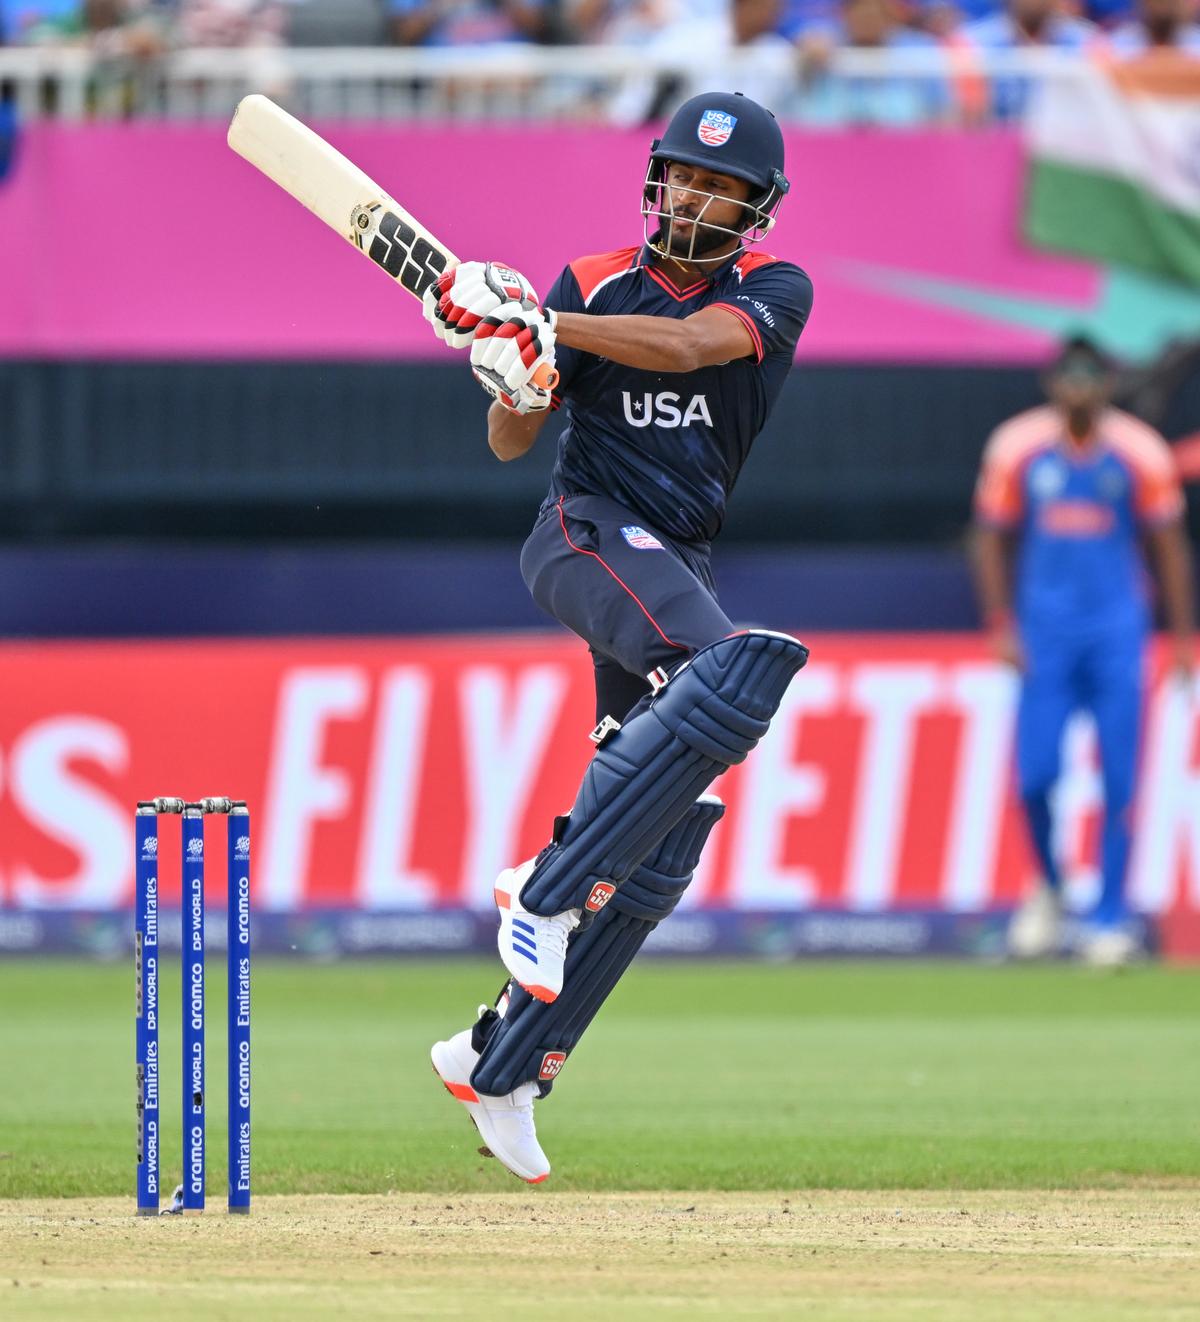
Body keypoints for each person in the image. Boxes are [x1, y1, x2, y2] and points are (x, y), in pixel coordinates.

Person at [422, 91, 812, 1183]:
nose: (694, 195)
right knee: (723, 672)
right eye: (684, 173)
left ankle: (498, 1060)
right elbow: (512, 440)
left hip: (669, 559)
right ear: (658, 177)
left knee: (662, 824)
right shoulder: (589, 278)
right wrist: (513, 367)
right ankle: (540, 888)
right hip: (583, 533)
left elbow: (689, 349)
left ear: (756, 207)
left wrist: (547, 327)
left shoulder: (774, 290)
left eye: (720, 185)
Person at [972, 335, 1195, 967]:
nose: (1079, 384)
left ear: (1105, 382)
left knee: (1121, 779)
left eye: (1091, 373)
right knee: (1036, 776)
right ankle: (1049, 885)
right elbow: (990, 540)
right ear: (1051, 382)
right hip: (1045, 638)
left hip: (1117, 635)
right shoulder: (1017, 446)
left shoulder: (1137, 450)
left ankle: (1109, 919)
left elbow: (1170, 548)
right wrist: (1000, 623)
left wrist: (1179, 639)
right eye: (1068, 373)